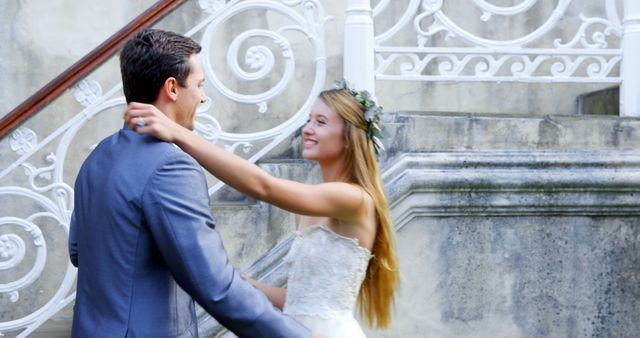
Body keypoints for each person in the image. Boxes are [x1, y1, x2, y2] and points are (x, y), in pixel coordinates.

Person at [69, 28, 315, 338]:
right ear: (172, 88)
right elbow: (215, 286)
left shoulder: (98, 157)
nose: (203, 96)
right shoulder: (170, 166)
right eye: (198, 85)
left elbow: (78, 251)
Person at [124, 78, 401, 337]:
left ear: (348, 136)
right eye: (308, 120)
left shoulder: (354, 199)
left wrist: (178, 134)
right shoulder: (308, 209)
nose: (307, 129)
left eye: (321, 122)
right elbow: (299, 299)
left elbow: (263, 187)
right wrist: (237, 282)